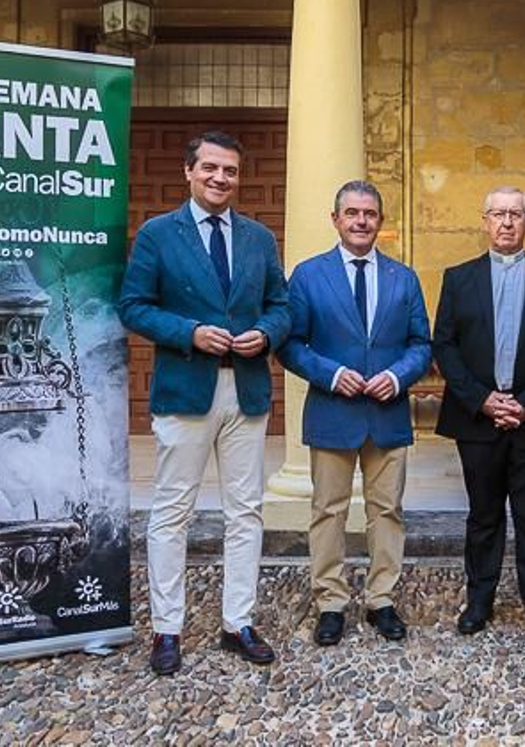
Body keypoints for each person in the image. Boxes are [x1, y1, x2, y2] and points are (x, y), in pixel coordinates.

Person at [119, 131, 291, 675]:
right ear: (189, 172)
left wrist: (265, 333)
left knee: (246, 511)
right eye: (211, 169)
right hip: (186, 388)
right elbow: (133, 306)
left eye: (231, 171)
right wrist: (189, 332)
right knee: (172, 513)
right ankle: (166, 629)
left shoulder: (259, 238)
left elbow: (281, 305)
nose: (222, 179)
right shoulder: (157, 235)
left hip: (245, 390)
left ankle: (237, 621)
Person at [278, 180, 432, 646]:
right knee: (328, 511)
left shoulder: (403, 278)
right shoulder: (308, 275)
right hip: (333, 410)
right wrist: (329, 374)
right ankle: (330, 601)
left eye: (369, 214)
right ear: (336, 219)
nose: (361, 221)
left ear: (380, 222)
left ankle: (381, 599)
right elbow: (290, 343)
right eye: (352, 213)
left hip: (387, 413)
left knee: (387, 511)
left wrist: (399, 376)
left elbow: (421, 344)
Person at [432, 186, 525, 641]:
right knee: (484, 514)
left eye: (516, 214)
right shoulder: (458, 278)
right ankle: (479, 600)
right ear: (485, 220)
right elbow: (445, 346)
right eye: (498, 213)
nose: (507, 222)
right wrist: (482, 399)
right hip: (477, 417)